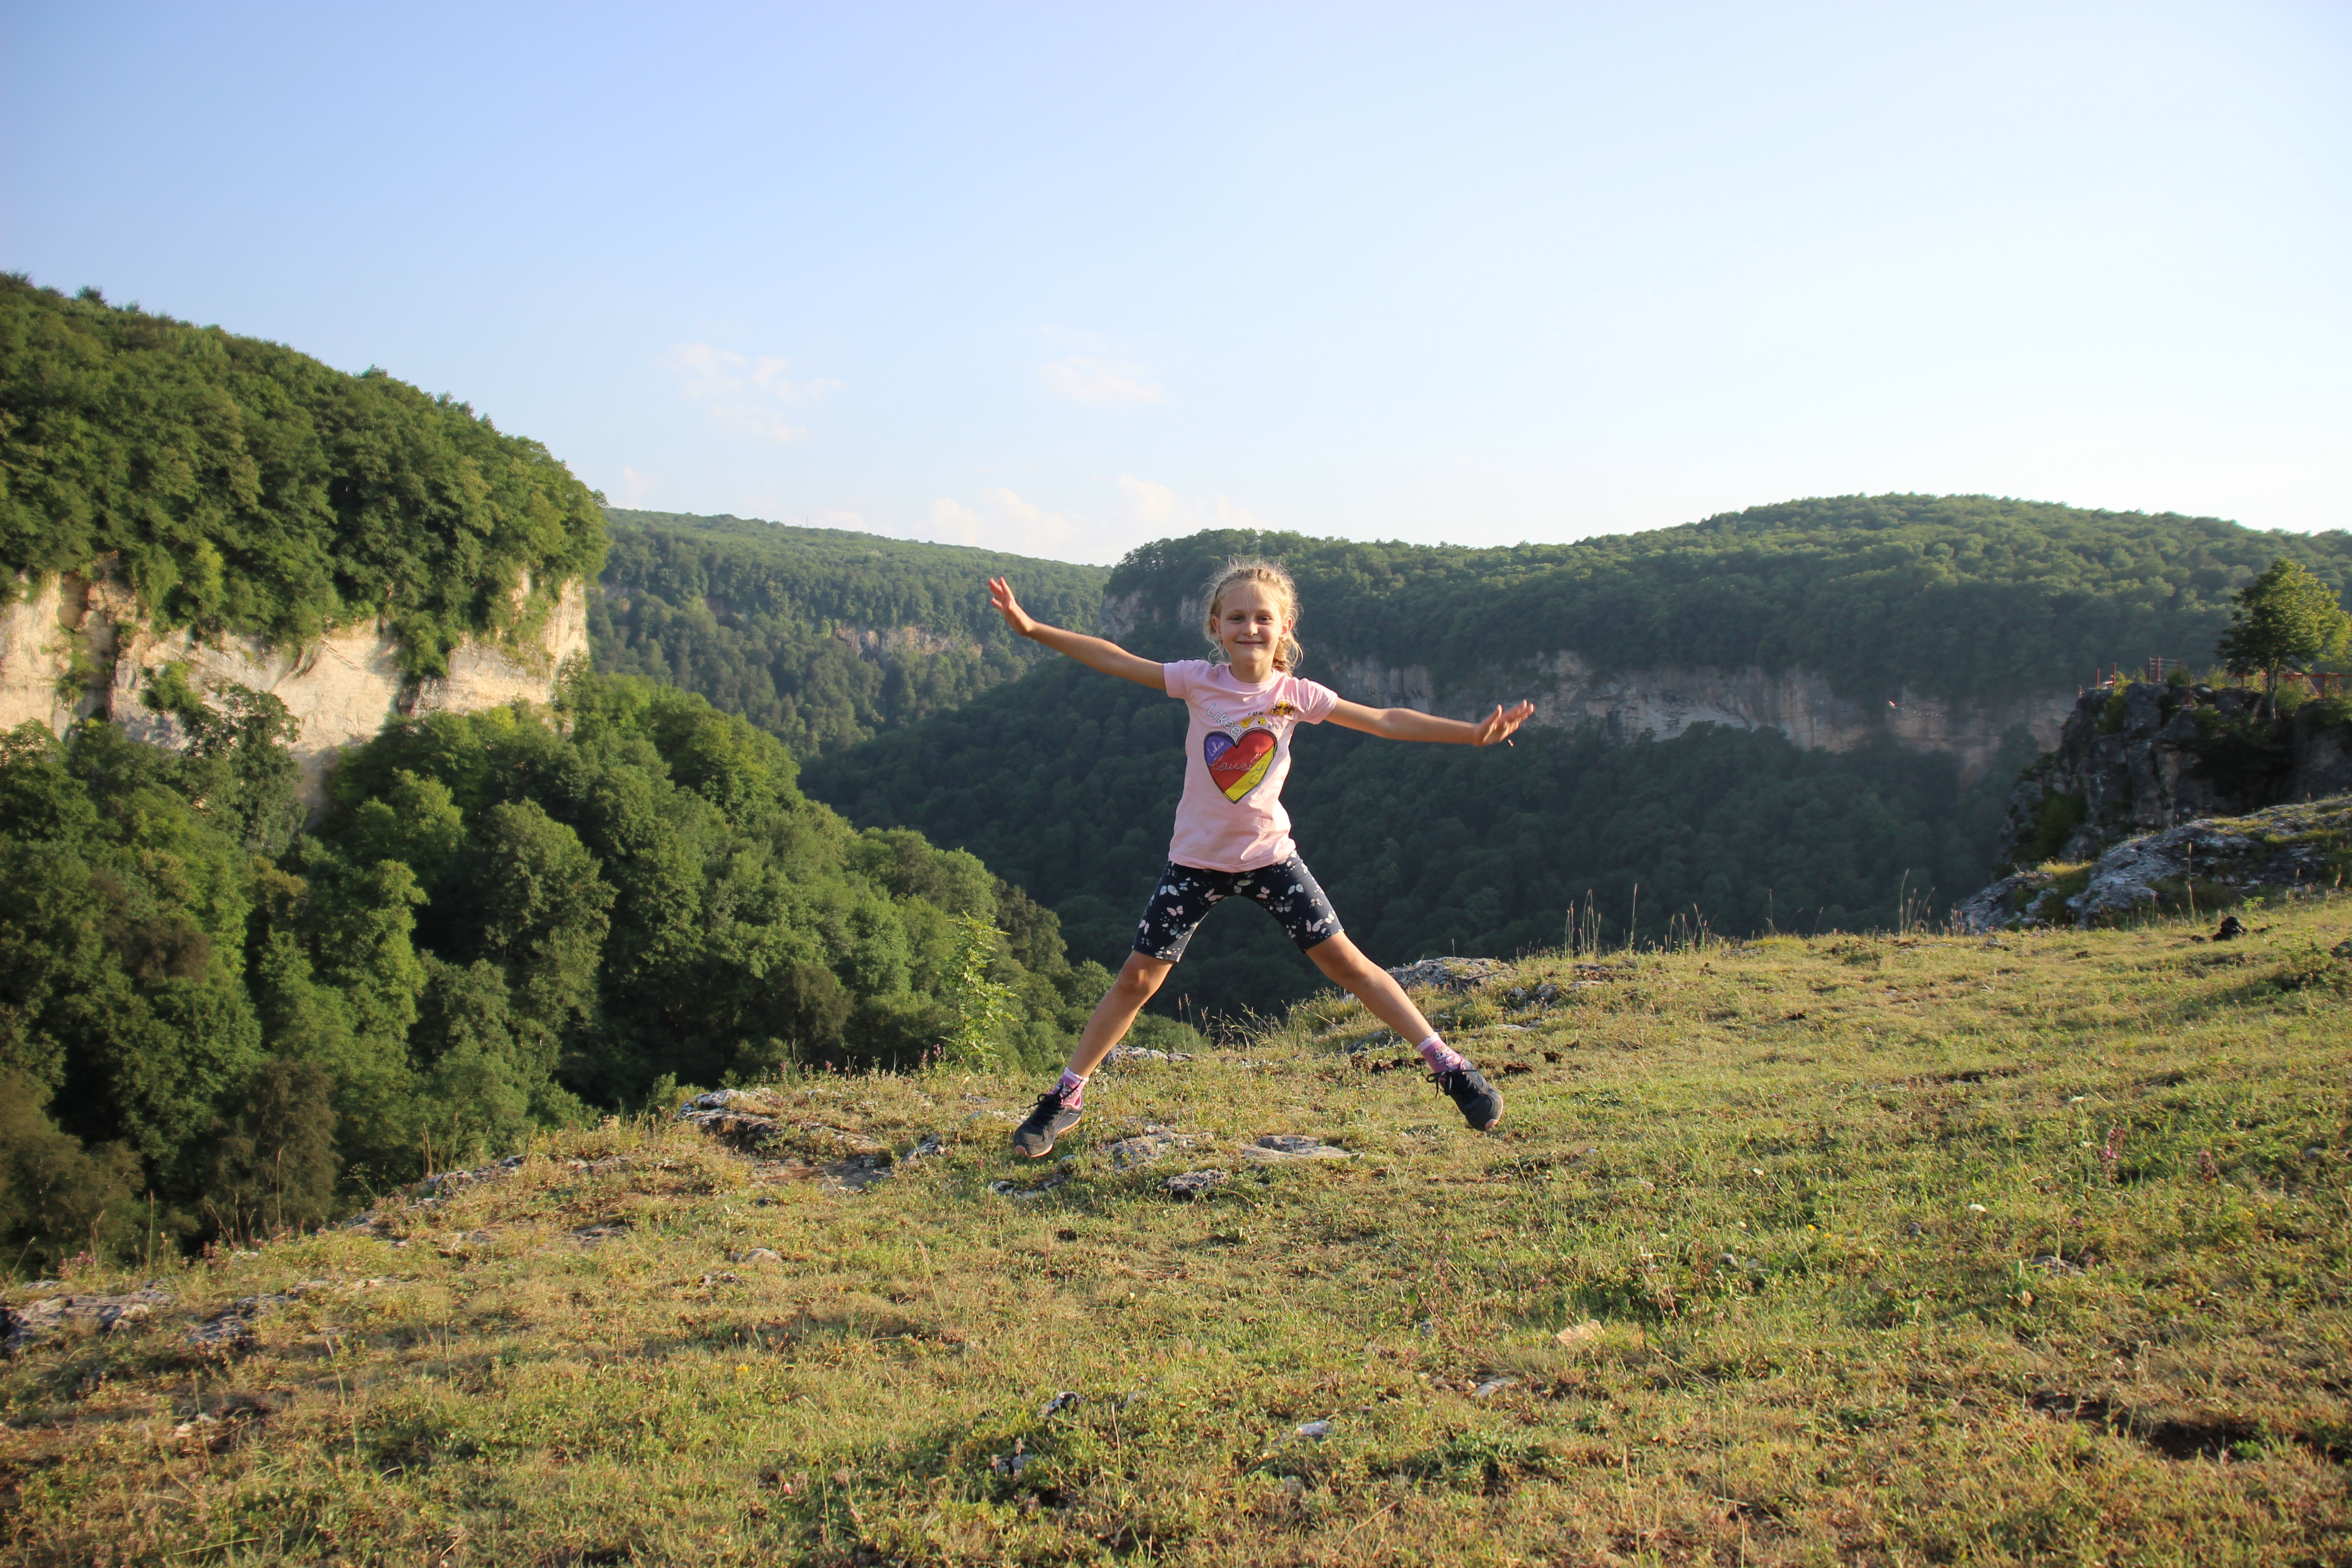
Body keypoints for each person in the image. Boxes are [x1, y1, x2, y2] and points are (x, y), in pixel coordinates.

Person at [985, 559, 1534, 1158]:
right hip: (1196, 862)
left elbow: (1383, 720)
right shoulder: (1197, 681)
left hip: (1271, 858)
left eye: (1263, 618)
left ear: (1286, 626)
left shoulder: (1296, 696)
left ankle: (1450, 1067)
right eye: (1238, 618)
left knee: (1350, 966)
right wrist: (1032, 629)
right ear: (1216, 626)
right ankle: (1066, 1097)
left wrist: (1469, 733)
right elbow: (1116, 658)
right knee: (1138, 979)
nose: (1251, 628)